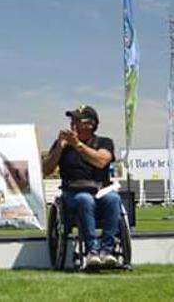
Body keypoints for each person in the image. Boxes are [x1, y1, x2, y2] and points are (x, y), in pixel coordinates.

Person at [42, 105, 121, 267]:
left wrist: (78, 145)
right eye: (72, 120)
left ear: (90, 124)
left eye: (77, 120)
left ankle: (107, 249)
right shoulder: (61, 144)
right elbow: (46, 170)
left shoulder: (104, 142)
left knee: (113, 198)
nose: (72, 124)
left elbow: (101, 161)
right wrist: (59, 148)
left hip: (100, 189)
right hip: (73, 192)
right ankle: (92, 250)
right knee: (85, 199)